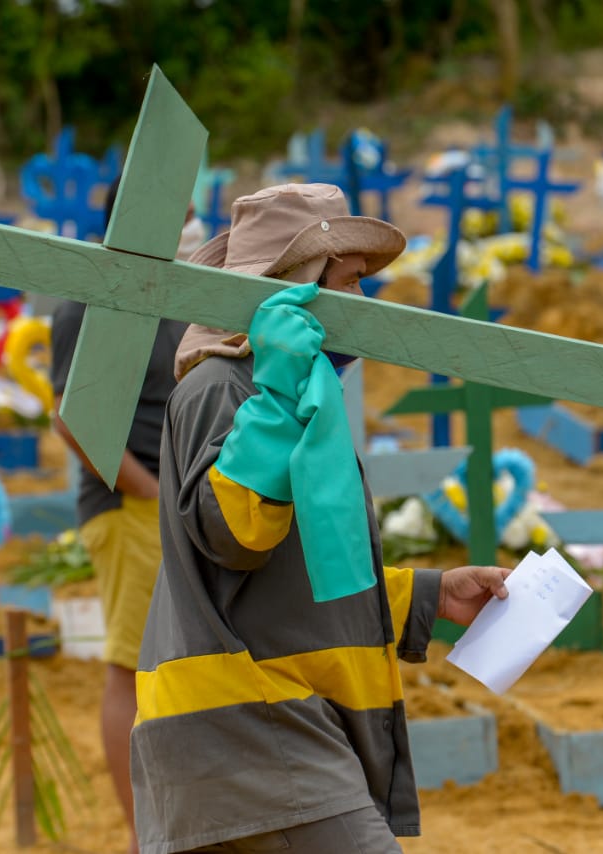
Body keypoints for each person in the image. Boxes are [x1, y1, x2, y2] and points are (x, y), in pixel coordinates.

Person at [130, 183, 513, 854]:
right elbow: (236, 535)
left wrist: (427, 595)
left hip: (272, 725)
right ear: (297, 285)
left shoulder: (283, 396)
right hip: (248, 728)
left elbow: (297, 577)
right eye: (350, 282)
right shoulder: (224, 389)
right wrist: (276, 392)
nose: (362, 306)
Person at [48, 178, 202, 854]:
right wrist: (144, 488)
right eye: (185, 215)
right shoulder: (92, 298)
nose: (193, 228)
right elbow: (74, 416)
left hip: (172, 502)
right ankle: (142, 835)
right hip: (128, 505)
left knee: (177, 666)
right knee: (133, 667)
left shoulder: (168, 292)